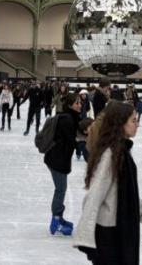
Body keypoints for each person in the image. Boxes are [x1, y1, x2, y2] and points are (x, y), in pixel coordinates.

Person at [72, 101, 142, 264]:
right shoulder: (110, 155)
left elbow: (123, 196)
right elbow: (94, 197)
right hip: (110, 235)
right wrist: (86, 241)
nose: (137, 125)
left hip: (120, 229)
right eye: (133, 121)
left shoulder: (121, 152)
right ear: (120, 124)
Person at [45, 93, 81, 236]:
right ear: (70, 105)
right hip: (57, 159)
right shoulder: (68, 120)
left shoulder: (71, 117)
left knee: (61, 189)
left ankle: (58, 217)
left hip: (58, 158)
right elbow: (70, 141)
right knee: (60, 189)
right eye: (77, 103)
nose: (79, 105)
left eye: (79, 102)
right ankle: (56, 220)